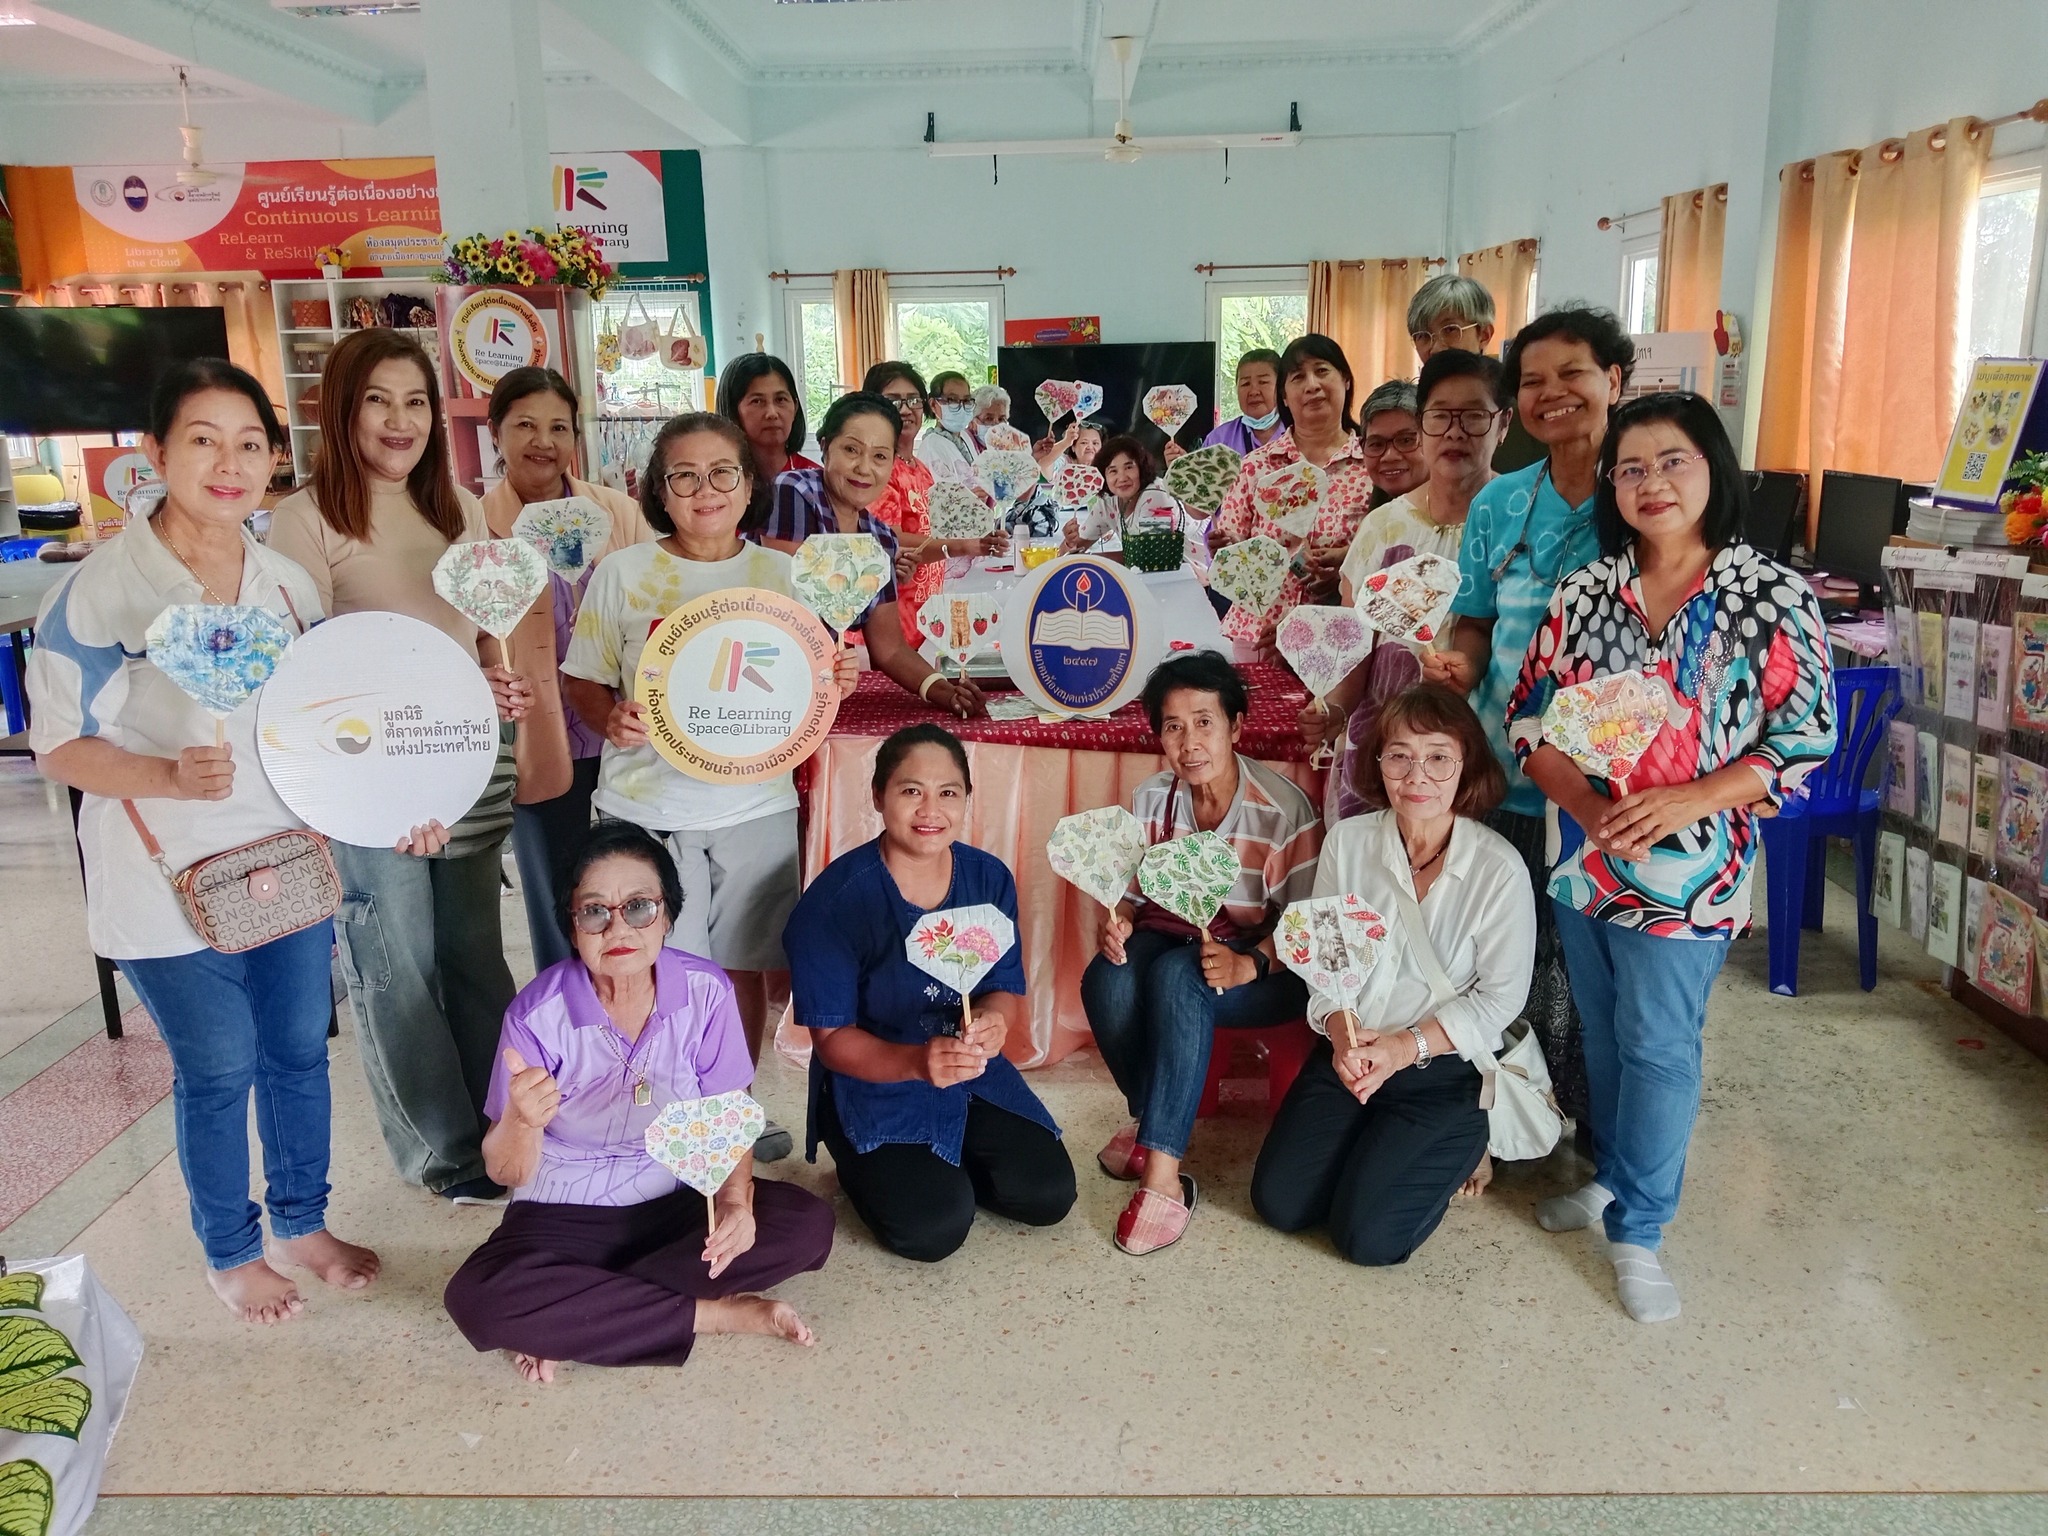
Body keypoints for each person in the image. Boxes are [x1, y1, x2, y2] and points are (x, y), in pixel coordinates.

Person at [29, 359, 446, 1324]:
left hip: (282, 861)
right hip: (162, 876)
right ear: (155, 454)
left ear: (272, 457)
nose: (229, 464)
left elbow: (328, 720)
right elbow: (59, 745)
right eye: (204, 441)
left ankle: (302, 1221)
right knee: (218, 1067)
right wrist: (168, 777)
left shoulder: (285, 585)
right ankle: (231, 1249)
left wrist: (395, 799)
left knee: (297, 1052)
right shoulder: (99, 593)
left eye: (249, 444)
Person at [1505, 392, 1835, 1323]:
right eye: (1631, 468)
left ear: (1712, 469)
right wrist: (1583, 804)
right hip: (1585, 858)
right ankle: (1615, 1176)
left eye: (1672, 460)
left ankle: (1642, 1228)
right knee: (1604, 1033)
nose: (1652, 482)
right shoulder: (1584, 593)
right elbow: (1530, 717)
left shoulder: (1769, 597)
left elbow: (1805, 740)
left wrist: (1690, 798)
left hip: (1693, 875)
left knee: (1658, 1044)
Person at [268, 328, 532, 1206]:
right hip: (370, 782)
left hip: (461, 767)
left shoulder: (456, 506)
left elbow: (480, 630)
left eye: (416, 401)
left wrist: (495, 677)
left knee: (475, 956)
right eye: (378, 400)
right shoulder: (305, 520)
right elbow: (304, 673)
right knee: (396, 962)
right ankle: (444, 1152)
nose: (400, 420)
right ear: (342, 411)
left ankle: (507, 1132)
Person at [562, 412, 859, 1165]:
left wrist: (840, 676)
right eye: (684, 475)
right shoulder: (623, 574)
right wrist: (609, 716)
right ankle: (668, 1115)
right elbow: (583, 679)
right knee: (664, 971)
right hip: (645, 808)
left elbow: (811, 684)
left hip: (756, 804)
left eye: (722, 472)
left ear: (749, 483)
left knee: (741, 967)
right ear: (659, 490)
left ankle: (734, 1106)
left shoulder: (783, 577)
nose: (705, 489)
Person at [444, 822, 835, 1380]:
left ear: (667, 915)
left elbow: (725, 1114)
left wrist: (734, 1201)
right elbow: (508, 1173)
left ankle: (579, 1316)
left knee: (806, 1223)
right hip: (565, 1209)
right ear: (571, 925)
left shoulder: (706, 991)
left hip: (678, 1194)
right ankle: (717, 1314)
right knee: (477, 1299)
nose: (618, 928)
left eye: (639, 907)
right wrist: (522, 1123)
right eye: (594, 912)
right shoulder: (535, 1015)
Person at [1423, 304, 1637, 1128]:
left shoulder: (1641, 495)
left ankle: (1591, 1120)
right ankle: (1505, 1120)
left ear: (1613, 379)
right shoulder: (1500, 503)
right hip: (1503, 768)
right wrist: (1463, 664)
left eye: (1572, 374)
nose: (1553, 394)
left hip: (1610, 780)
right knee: (1505, 948)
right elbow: (1476, 620)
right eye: (1534, 381)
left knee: (1595, 963)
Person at [1252, 685, 1534, 1264]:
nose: (1417, 776)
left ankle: (1470, 1140)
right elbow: (1325, 958)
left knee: (1368, 1240)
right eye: (1399, 755)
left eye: (1438, 757)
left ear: (1467, 766)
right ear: (1377, 763)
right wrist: (1341, 1036)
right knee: (1280, 1204)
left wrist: (1404, 1048)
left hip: (1441, 1072)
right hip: (1352, 1056)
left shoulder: (1499, 869)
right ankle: (1374, 1145)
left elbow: (1500, 999)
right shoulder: (1349, 842)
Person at [787, 725, 1076, 1261]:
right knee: (934, 1230)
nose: (930, 810)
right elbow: (832, 1040)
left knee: (1047, 1196)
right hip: (877, 1078)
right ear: (878, 795)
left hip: (970, 1070)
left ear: (967, 798)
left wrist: (994, 1020)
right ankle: (858, 1156)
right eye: (910, 790)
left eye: (948, 792)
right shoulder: (835, 904)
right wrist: (918, 1064)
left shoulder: (988, 879)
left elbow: (1003, 986)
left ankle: (944, 1164)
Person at [1080, 653, 1321, 1255]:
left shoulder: (1282, 810)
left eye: (1204, 722)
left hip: (1269, 962)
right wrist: (1121, 920)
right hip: (1173, 936)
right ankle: (1152, 1120)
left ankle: (1163, 1179)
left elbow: (1308, 925)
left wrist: (1250, 963)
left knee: (1175, 979)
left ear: (1236, 726)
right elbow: (1136, 892)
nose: (1189, 742)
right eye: (1173, 726)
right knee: (1107, 978)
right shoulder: (1153, 798)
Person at [480, 366, 655, 973]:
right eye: (525, 425)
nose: (543, 441)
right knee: (557, 889)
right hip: (538, 729)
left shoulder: (617, 513)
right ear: (496, 432)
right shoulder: (477, 524)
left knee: (631, 881)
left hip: (620, 725)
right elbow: (466, 627)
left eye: (558, 427)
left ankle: (634, 999)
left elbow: (655, 601)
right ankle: (566, 1007)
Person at [1301, 351, 1509, 822]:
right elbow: (1355, 645)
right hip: (1386, 747)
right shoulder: (1382, 527)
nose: (1454, 432)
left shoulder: (1521, 521)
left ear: (1503, 424)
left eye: (1473, 416)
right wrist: (1335, 710)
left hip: (1485, 748)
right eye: (1439, 417)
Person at [757, 391, 987, 719]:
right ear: (825, 447)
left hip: (822, 694)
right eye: (851, 449)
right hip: (764, 681)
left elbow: (889, 648)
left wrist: (946, 693)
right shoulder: (795, 491)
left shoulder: (879, 538)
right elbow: (785, 604)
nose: (864, 468)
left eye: (880, 456)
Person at [1207, 335, 1375, 648]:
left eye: (1322, 371)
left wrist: (1345, 568)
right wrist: (1229, 551)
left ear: (1346, 380)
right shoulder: (1255, 467)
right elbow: (1231, 553)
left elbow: (1388, 553)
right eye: (1298, 377)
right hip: (1260, 636)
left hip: (1340, 640)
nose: (1312, 385)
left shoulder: (1372, 465)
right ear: (1284, 396)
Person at [864, 361, 1006, 648]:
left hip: (927, 614)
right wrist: (965, 545)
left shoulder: (918, 468)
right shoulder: (878, 470)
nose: (906, 410)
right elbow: (890, 541)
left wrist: (977, 539)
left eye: (913, 400)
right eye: (893, 401)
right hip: (893, 625)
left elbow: (933, 529)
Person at [1408, 272, 1544, 475]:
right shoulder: (1406, 408)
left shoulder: (1527, 412)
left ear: (1484, 335)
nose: (1435, 348)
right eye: (1422, 336)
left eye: (1450, 330)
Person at [715, 352, 819, 532]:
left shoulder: (816, 481)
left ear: (795, 407)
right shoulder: (718, 484)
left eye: (780, 400)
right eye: (757, 401)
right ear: (733, 410)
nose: (772, 413)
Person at [1060, 434, 1182, 556]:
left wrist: (1089, 559)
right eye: (1113, 471)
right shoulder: (1108, 501)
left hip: (1187, 565)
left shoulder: (1157, 495)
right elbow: (1069, 553)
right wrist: (1070, 542)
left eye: (1129, 467)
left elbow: (1147, 555)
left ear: (1142, 468)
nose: (1122, 478)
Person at [1169, 348, 1283, 462]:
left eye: (1263, 382)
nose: (1253, 391)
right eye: (1245, 384)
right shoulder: (1218, 440)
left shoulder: (1293, 432)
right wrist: (1185, 466)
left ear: (1281, 386)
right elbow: (1203, 472)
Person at [1358, 380, 1428, 511]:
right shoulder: (1372, 516)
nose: (1390, 457)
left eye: (1406, 440)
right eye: (1377, 444)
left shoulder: (1463, 514)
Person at [917, 369, 980, 490]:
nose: (961, 406)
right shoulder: (932, 445)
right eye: (952, 400)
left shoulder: (965, 437)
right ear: (933, 404)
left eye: (966, 400)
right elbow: (942, 497)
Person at [968, 383, 1011, 454]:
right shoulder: (963, 449)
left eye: (1001, 419)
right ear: (972, 422)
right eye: (989, 418)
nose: (996, 425)